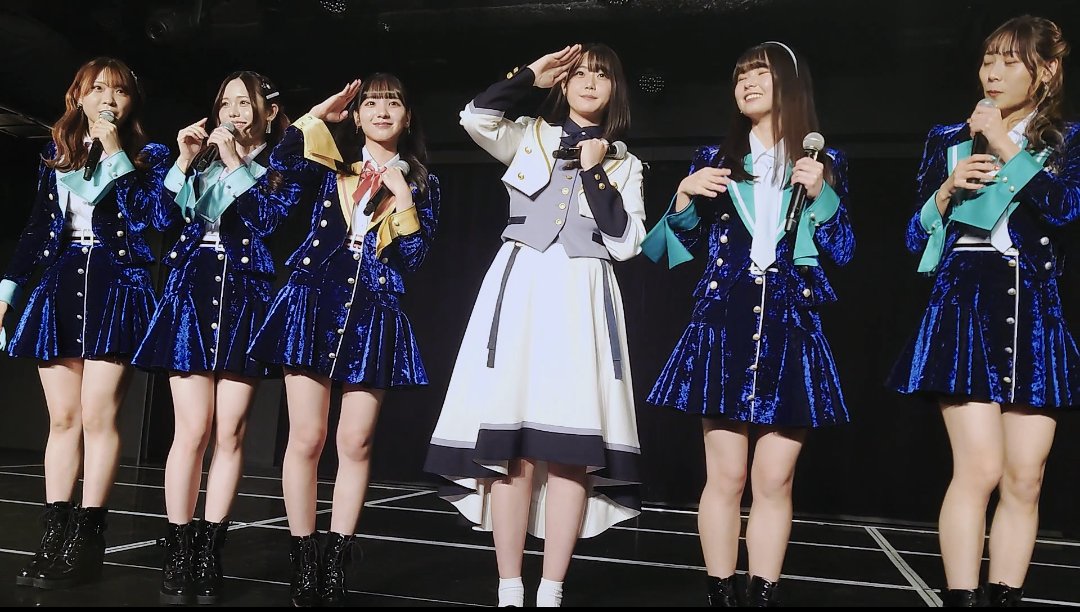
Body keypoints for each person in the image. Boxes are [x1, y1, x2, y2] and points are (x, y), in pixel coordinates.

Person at [424, 43, 647, 608]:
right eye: (580, 73)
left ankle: (551, 590)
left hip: (582, 293)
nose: (589, 82)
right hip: (522, 286)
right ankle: (509, 588)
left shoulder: (625, 163)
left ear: (615, 90)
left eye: (601, 75)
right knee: (513, 447)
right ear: (564, 83)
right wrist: (528, 75)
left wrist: (596, 173)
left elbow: (627, 242)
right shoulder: (530, 135)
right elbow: (474, 117)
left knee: (572, 448)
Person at [643, 41, 855, 607]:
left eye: (761, 73)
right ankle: (720, 592)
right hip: (724, 323)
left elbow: (844, 250)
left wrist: (824, 196)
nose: (748, 84)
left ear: (791, 83)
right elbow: (673, 248)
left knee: (774, 478)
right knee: (726, 476)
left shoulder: (823, 162)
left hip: (792, 326)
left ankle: (762, 595)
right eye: (740, 76)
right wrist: (683, 197)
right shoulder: (715, 158)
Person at [887, 15, 1077, 607]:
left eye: (1009, 62)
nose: (992, 73)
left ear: (1046, 71)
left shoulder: (1066, 141)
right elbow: (915, 241)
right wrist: (946, 192)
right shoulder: (947, 138)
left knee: (1026, 477)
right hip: (964, 310)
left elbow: (1065, 209)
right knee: (981, 469)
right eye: (987, 60)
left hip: (1034, 314)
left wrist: (1005, 146)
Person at [248, 73, 440, 607]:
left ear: (407, 116)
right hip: (312, 304)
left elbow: (415, 259)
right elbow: (280, 169)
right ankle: (304, 557)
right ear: (356, 116)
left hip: (373, 313)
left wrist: (404, 198)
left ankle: (336, 559)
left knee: (355, 442)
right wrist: (315, 117)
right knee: (307, 438)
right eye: (371, 103)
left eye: (393, 102)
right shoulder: (330, 167)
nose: (382, 110)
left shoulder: (424, 184)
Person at [0, 57, 168, 590]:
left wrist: (116, 153)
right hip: (61, 284)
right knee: (63, 420)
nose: (108, 99)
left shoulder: (149, 156)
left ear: (131, 102)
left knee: (98, 418)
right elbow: (36, 229)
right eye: (98, 89)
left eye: (119, 91)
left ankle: (88, 538)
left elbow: (152, 217)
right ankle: (54, 534)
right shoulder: (58, 154)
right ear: (79, 96)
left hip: (117, 287)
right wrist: (6, 293)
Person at [132, 70, 299, 605]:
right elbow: (158, 218)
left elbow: (268, 221)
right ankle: (179, 547)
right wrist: (184, 160)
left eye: (244, 103)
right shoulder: (195, 157)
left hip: (245, 297)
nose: (233, 112)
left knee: (231, 432)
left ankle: (209, 548)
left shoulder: (284, 164)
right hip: (190, 292)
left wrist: (234, 163)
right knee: (191, 430)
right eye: (225, 102)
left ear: (269, 111)